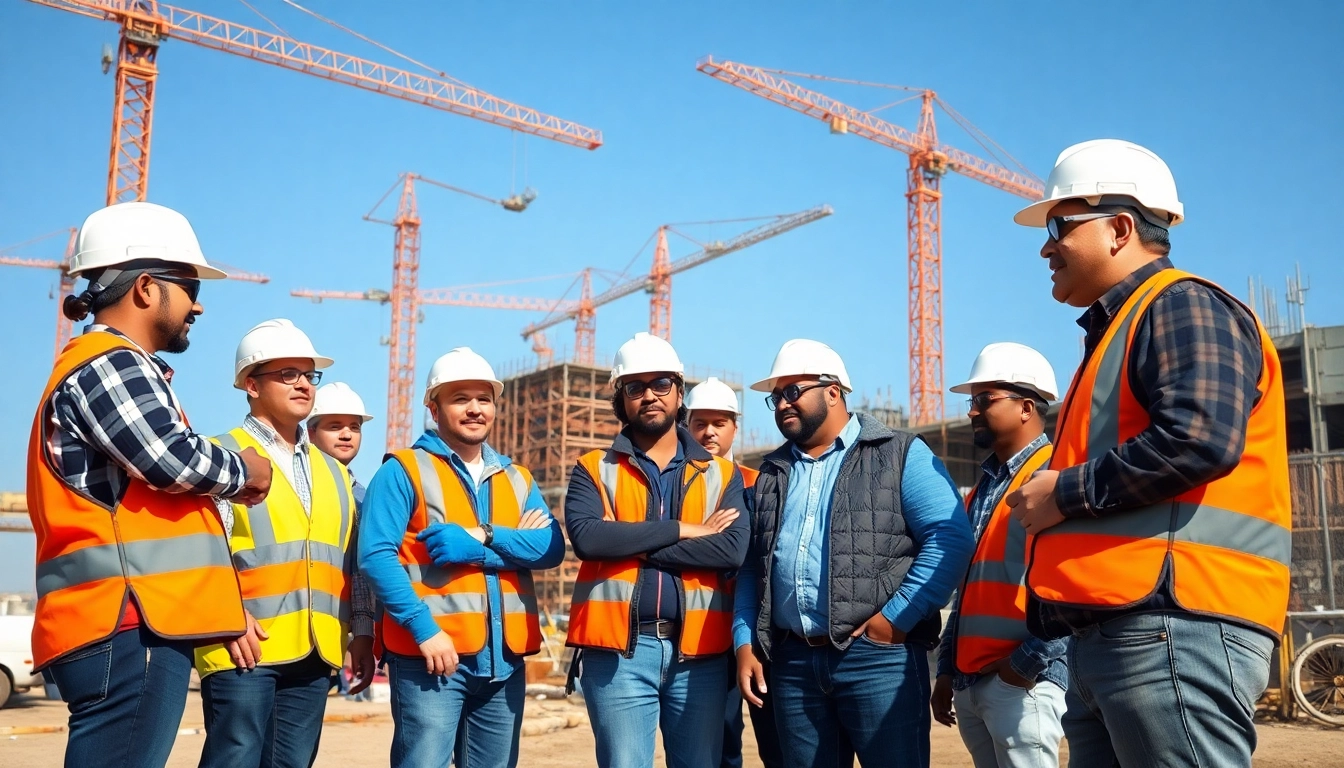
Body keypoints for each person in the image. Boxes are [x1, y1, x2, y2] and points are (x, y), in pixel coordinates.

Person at [1010, 139, 1290, 767]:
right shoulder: (1122, 327)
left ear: (1120, 228)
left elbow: (1199, 439)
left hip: (1172, 623)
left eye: (1061, 224)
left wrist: (1063, 492)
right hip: (1119, 628)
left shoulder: (1181, 303)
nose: (1046, 246)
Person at [25, 201, 271, 768]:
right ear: (144, 289)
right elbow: (169, 458)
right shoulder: (110, 363)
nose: (198, 303)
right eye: (187, 285)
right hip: (126, 620)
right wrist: (244, 470)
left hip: (125, 621)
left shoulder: (107, 365)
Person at [735, 339, 974, 768]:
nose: (782, 405)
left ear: (833, 391)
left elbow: (949, 537)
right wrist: (745, 642)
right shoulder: (772, 471)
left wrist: (896, 617)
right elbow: (755, 566)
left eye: (793, 392)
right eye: (776, 397)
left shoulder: (898, 453)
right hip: (793, 663)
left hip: (877, 660)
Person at [360, 347, 565, 768]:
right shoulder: (403, 470)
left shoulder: (517, 478)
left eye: (484, 399)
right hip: (432, 656)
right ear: (434, 408)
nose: (475, 409)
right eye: (460, 399)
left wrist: (482, 541)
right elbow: (376, 557)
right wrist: (424, 629)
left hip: (504, 661)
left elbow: (550, 548)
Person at [196, 319, 375, 768]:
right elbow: (200, 550)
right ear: (251, 385)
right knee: (233, 761)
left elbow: (352, 563)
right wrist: (227, 618)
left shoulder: (335, 472)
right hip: (243, 644)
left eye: (309, 375)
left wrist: (363, 629)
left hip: (317, 647)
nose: (303, 385)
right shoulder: (219, 455)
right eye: (287, 374)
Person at [565, 333, 749, 768]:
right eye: (635, 387)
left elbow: (731, 550)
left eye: (661, 384)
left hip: (700, 655)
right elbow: (589, 540)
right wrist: (682, 529)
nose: (649, 395)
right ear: (621, 398)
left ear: (680, 392)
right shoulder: (594, 468)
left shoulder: (721, 474)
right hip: (618, 657)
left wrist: (630, 543)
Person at [930, 343, 1068, 767]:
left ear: (1026, 407)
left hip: (1022, 682)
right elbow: (969, 589)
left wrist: (1021, 669)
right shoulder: (985, 487)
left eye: (983, 400)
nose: (971, 411)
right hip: (975, 680)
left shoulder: (1055, 473)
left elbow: (1071, 587)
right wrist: (947, 670)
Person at [684, 377, 780, 768]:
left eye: (719, 423)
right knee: (717, 741)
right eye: (700, 422)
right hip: (699, 632)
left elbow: (753, 555)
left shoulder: (760, 485)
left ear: (734, 427)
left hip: (758, 635)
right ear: (685, 425)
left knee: (776, 737)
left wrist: (704, 539)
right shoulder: (675, 484)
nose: (709, 432)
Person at [308, 381, 379, 699]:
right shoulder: (288, 485)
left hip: (327, 636)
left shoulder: (363, 498)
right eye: (335, 426)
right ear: (310, 432)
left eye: (354, 426)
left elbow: (361, 574)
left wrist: (363, 631)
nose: (347, 434)